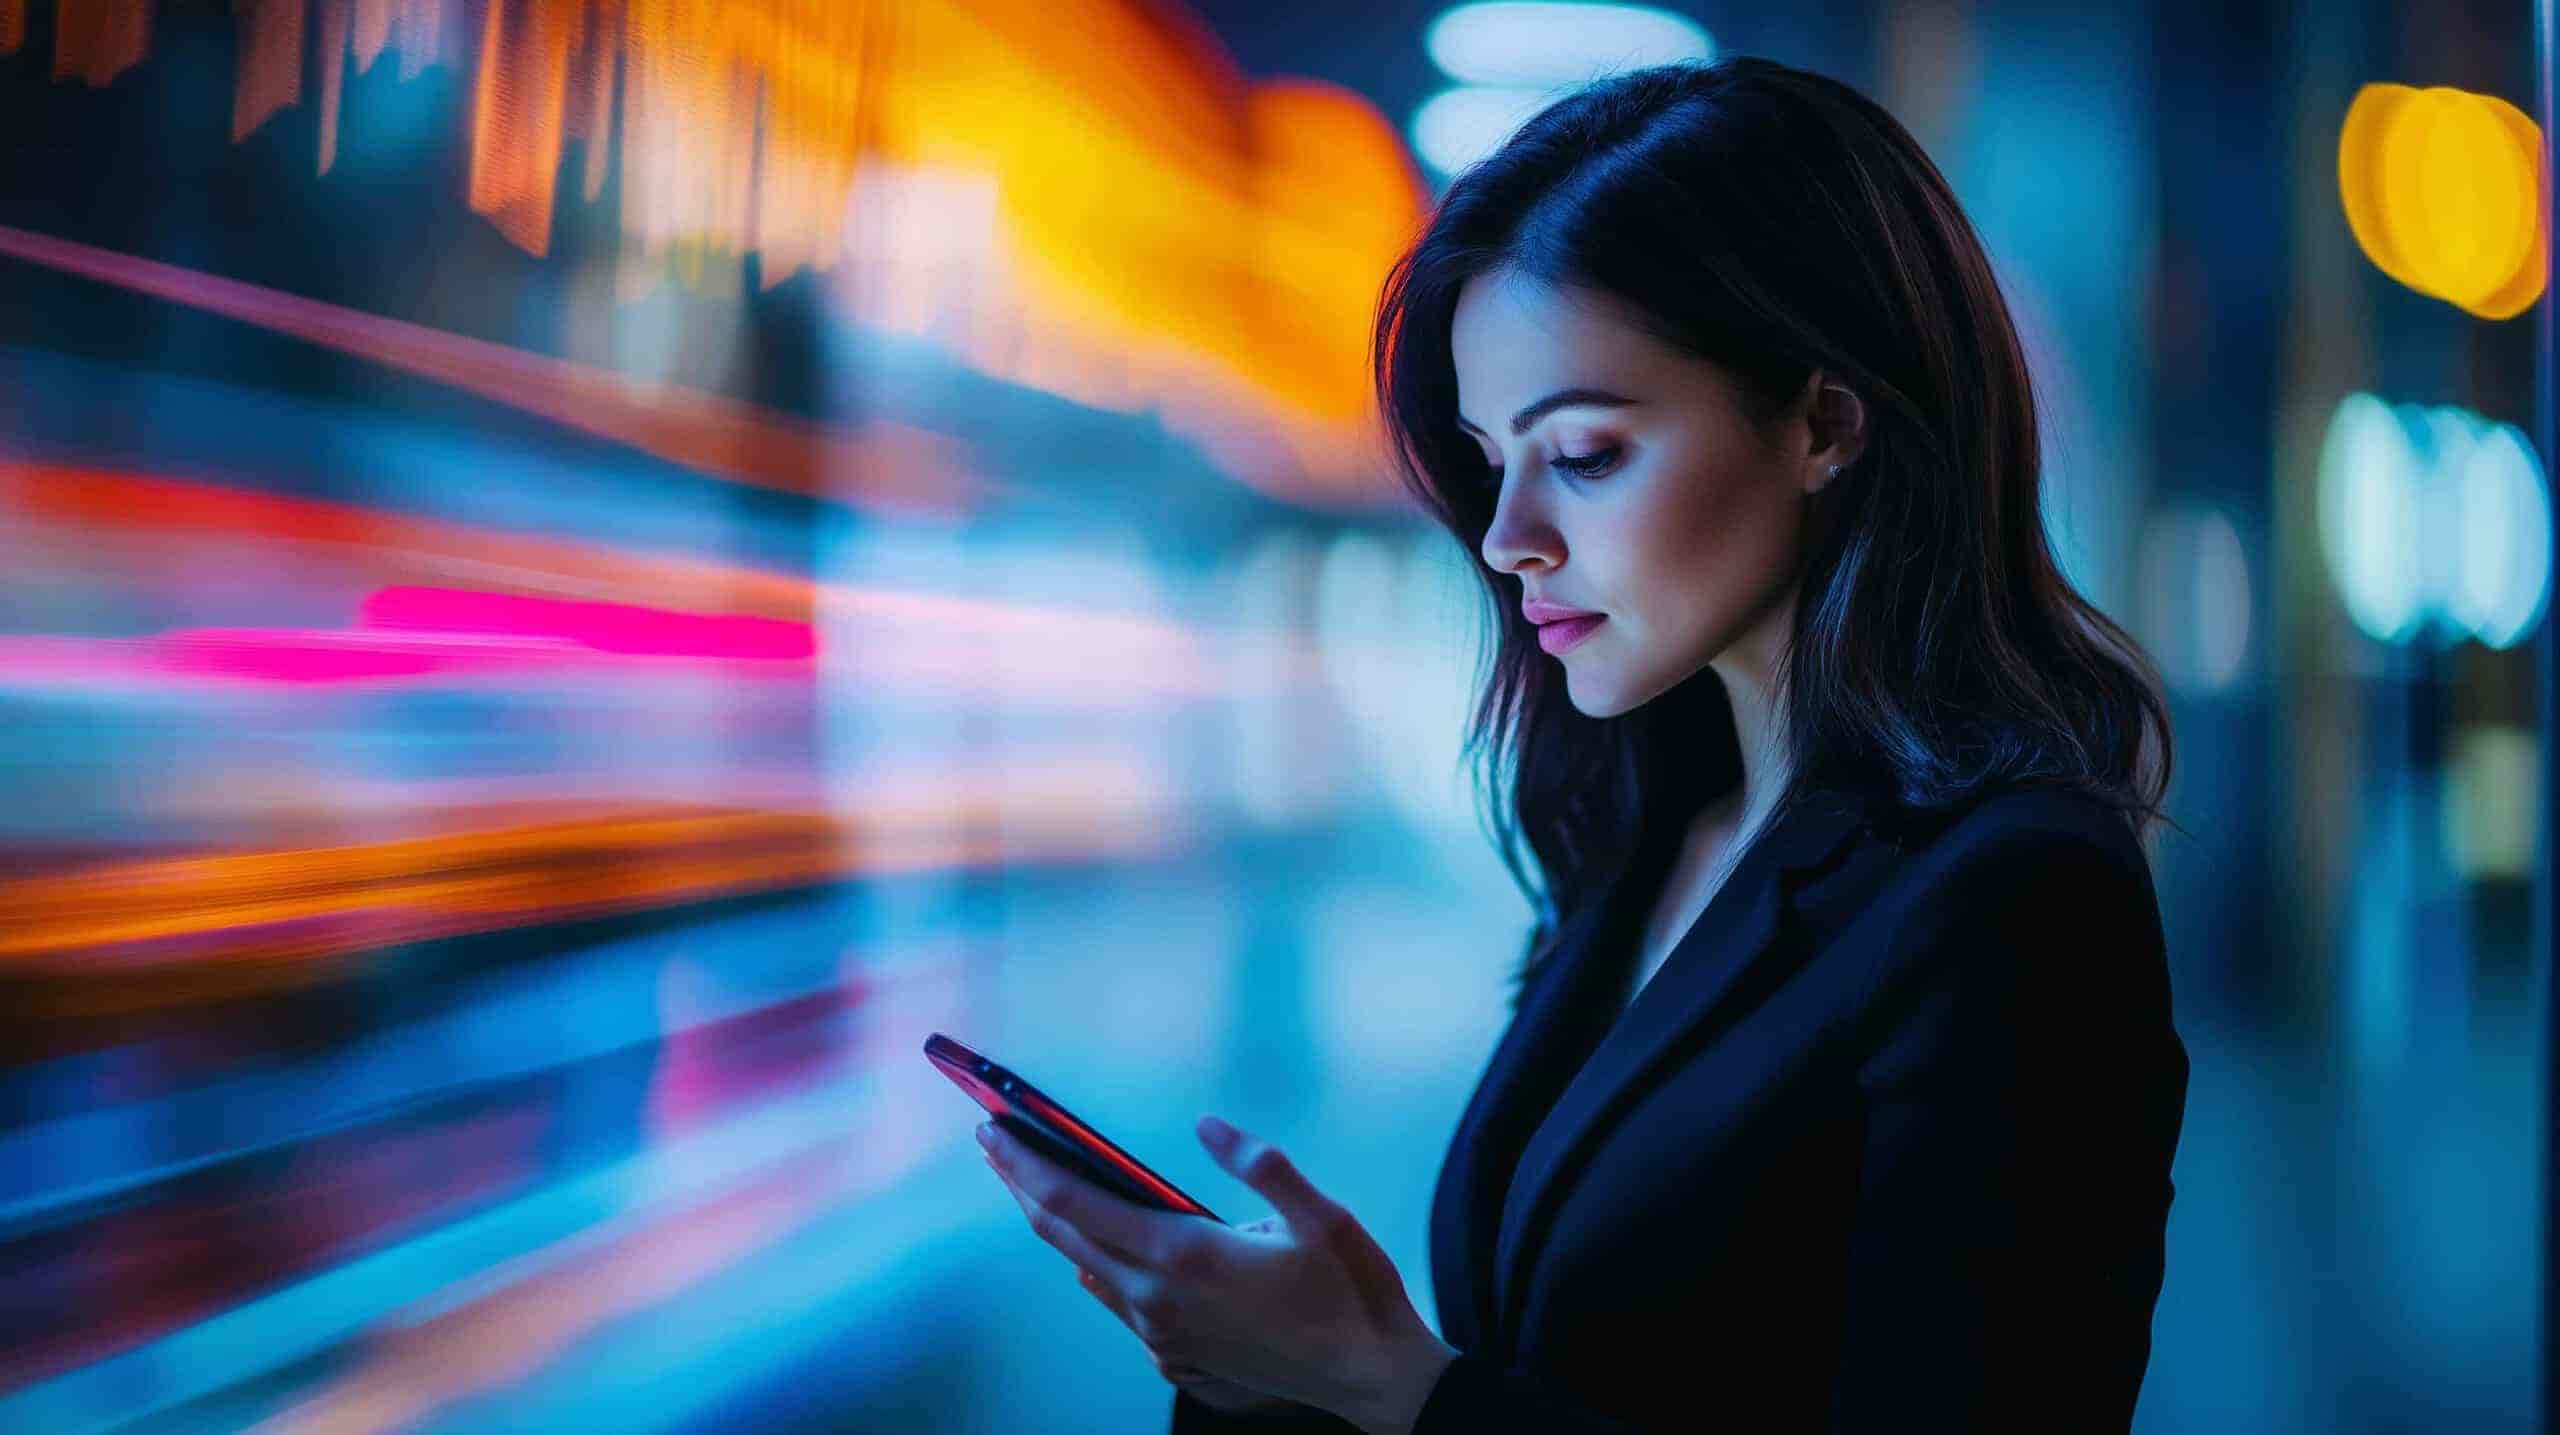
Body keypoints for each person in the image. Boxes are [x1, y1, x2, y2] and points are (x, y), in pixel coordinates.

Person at [974, 54, 2189, 1432]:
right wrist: (1278, 1375)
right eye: (1492, 461)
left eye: (1587, 454)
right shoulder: (1648, 833)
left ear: (1824, 423)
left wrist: (1390, 1382)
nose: (1508, 539)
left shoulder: (2016, 895)